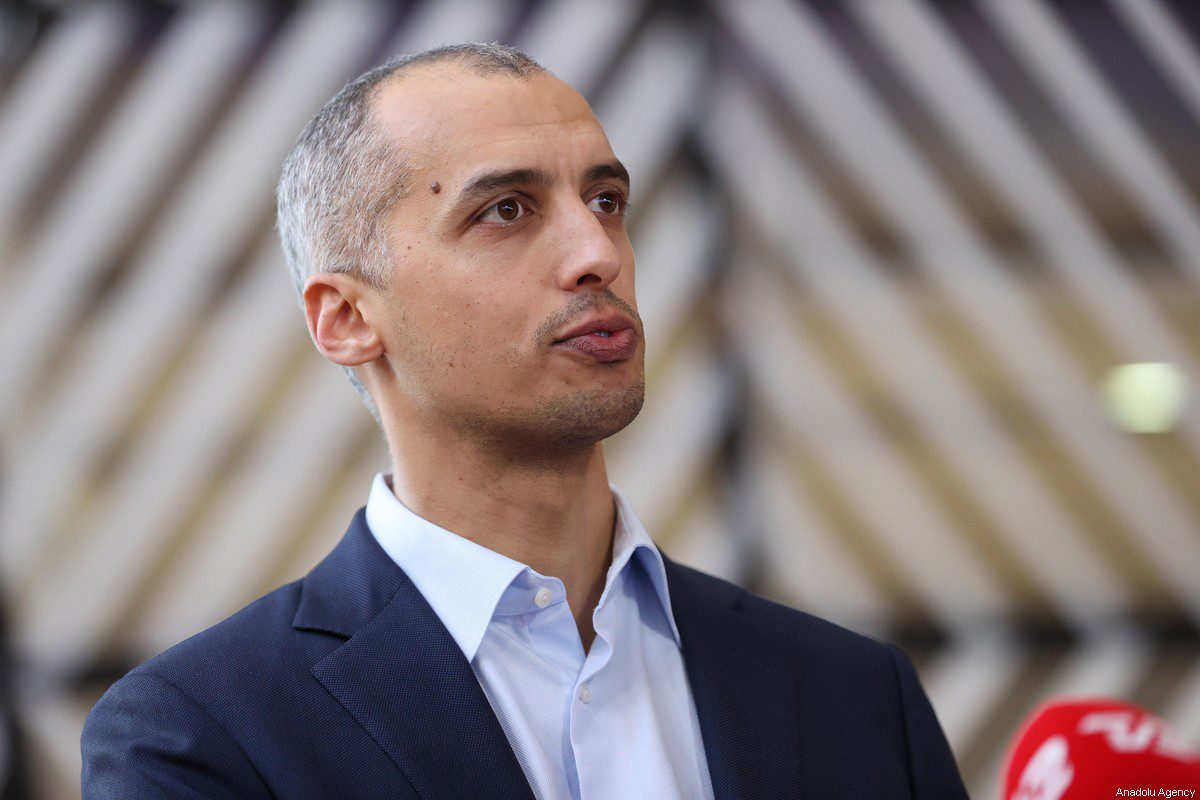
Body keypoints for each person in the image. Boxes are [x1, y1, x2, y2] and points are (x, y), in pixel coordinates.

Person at [80, 42, 968, 799]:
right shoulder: (203, 735)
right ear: (347, 319)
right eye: (506, 210)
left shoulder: (853, 694)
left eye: (607, 200)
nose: (597, 254)